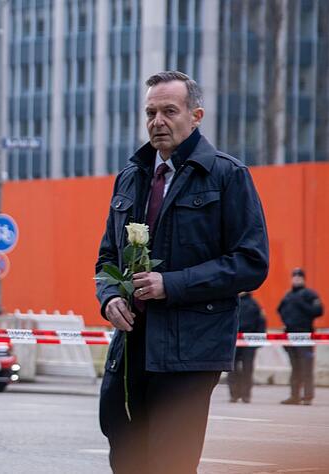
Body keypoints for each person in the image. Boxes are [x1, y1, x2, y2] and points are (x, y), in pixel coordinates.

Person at [95, 71, 269, 474]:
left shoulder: (227, 175)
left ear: (196, 116)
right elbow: (106, 257)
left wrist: (170, 284)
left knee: (170, 463)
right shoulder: (131, 175)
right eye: (151, 112)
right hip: (131, 347)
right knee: (124, 453)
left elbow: (251, 262)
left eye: (169, 111)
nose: (157, 121)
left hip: (189, 353)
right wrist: (110, 298)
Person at [278, 267, 323, 405]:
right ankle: (294, 396)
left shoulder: (310, 294)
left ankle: (308, 396)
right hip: (290, 335)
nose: (296, 279)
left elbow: (318, 311)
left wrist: (300, 303)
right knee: (295, 367)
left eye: (299, 277)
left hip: (305, 335)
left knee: (306, 367)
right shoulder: (288, 295)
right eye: (294, 277)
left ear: (303, 279)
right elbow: (280, 309)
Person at [227, 292, 266, 403]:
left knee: (247, 369)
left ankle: (245, 395)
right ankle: (234, 394)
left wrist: (259, 340)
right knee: (232, 368)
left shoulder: (254, 304)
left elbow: (261, 323)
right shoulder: (233, 303)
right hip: (234, 340)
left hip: (249, 341)